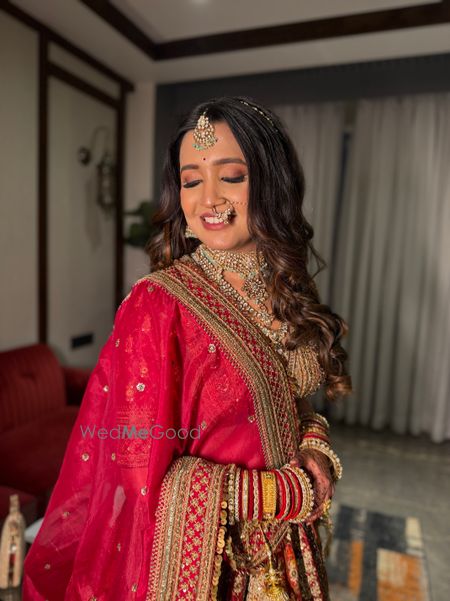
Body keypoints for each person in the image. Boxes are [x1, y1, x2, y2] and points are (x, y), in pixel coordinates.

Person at [22, 96, 352, 600]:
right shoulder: (159, 305)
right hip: (215, 571)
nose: (208, 199)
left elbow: (288, 400)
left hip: (290, 550)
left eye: (231, 176)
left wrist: (314, 447)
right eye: (191, 181)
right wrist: (278, 492)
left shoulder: (286, 287)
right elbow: (135, 469)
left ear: (272, 182)